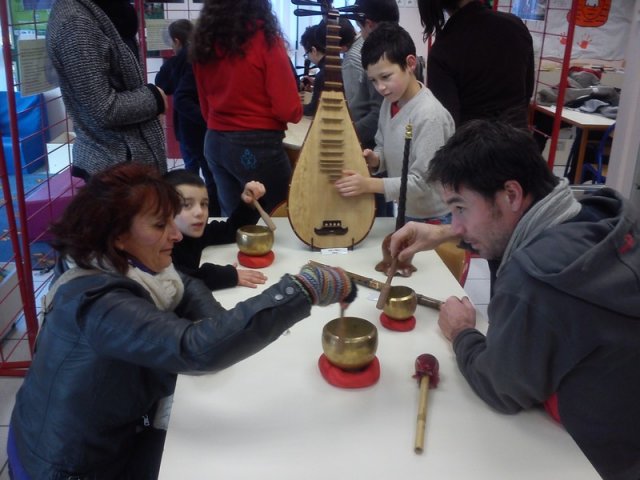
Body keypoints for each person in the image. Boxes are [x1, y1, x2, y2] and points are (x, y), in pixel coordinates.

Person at [7, 163, 356, 479]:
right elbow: (193, 348)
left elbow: (184, 283)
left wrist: (221, 327)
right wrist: (302, 290)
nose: (175, 234)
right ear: (116, 234)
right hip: (68, 468)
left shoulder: (122, 262)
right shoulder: (98, 302)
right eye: (160, 225)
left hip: (100, 436)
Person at [390, 120, 640, 480]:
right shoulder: (599, 218)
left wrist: (462, 333)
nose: (456, 226)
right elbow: (508, 229)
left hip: (594, 463)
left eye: (460, 208)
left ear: (510, 194)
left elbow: (500, 388)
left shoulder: (535, 280)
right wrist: (443, 231)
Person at [191, 0, 303, 216]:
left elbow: (205, 105)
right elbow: (288, 109)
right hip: (256, 145)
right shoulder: (264, 39)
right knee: (280, 216)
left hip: (215, 140)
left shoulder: (205, 40)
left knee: (233, 221)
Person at [335, 23, 455, 222]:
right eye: (373, 80)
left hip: (432, 217)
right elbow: (383, 144)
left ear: (410, 64)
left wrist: (368, 185)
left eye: (385, 77)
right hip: (405, 208)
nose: (380, 87)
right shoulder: (389, 102)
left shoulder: (429, 115)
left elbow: (422, 183)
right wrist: (376, 158)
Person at [46, 0, 167, 180]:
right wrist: (155, 98)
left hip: (131, 160)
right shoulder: (75, 21)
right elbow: (104, 109)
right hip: (115, 168)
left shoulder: (110, 11)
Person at [418, 0, 534, 129]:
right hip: (519, 140)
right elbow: (527, 90)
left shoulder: (442, 49)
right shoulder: (515, 25)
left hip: (472, 144)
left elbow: (447, 121)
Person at [155, 19, 220, 217]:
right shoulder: (204, 55)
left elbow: (161, 84)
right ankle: (213, 213)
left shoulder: (178, 60)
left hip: (189, 126)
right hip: (207, 126)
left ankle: (190, 213)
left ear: (176, 40)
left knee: (191, 174)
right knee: (211, 174)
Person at [164, 169, 267, 290]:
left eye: (204, 204)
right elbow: (180, 279)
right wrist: (227, 275)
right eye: (187, 205)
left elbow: (230, 230)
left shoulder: (193, 232)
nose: (199, 212)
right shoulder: (160, 248)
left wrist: (248, 204)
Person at [300, 18, 357, 117]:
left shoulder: (323, 74)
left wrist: (294, 106)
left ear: (313, 50)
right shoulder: (342, 62)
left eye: (306, 54)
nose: (308, 57)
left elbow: (313, 109)